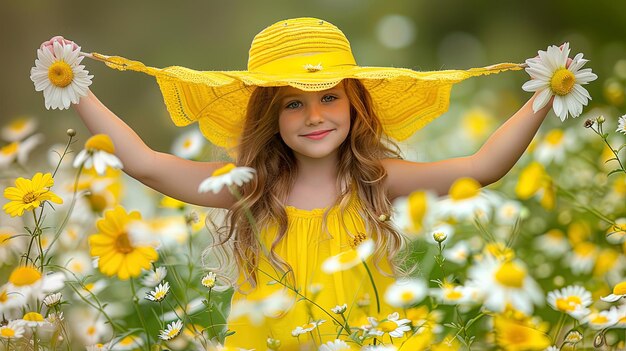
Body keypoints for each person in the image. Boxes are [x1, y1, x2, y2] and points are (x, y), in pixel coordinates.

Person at [47, 17, 556, 350]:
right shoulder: (249, 188)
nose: (315, 116)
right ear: (272, 116)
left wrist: (550, 91)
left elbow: (483, 167)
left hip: (366, 339)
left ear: (355, 105)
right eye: (294, 102)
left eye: (329, 98)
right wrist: (73, 87)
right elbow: (145, 163)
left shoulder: (375, 180)